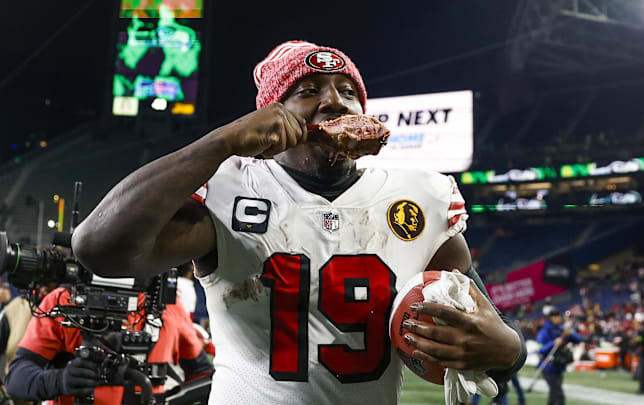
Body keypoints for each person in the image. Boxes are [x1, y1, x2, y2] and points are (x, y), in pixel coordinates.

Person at [70, 40, 526, 404]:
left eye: (348, 92)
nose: (335, 102)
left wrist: (510, 349)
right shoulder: (229, 184)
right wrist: (220, 143)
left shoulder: (419, 197)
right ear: (271, 114)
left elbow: (489, 331)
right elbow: (98, 248)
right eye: (309, 90)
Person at [5, 284, 214, 404]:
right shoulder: (63, 300)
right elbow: (17, 379)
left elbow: (203, 375)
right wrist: (60, 380)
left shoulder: (169, 307)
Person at [536, 309, 582, 405]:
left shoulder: (562, 330)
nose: (556, 318)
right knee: (559, 395)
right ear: (550, 318)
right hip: (547, 367)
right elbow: (540, 349)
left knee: (553, 396)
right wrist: (553, 343)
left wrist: (571, 334)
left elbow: (578, 339)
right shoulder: (543, 332)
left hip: (559, 367)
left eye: (558, 316)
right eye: (554, 316)